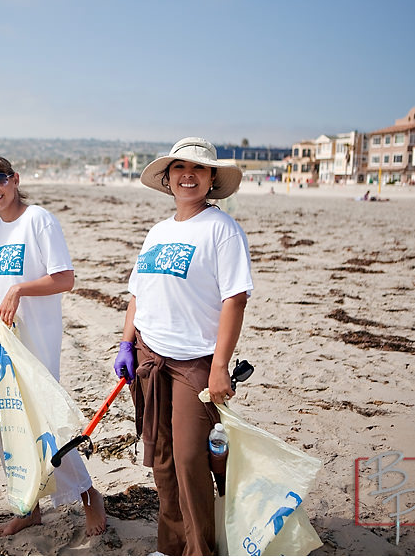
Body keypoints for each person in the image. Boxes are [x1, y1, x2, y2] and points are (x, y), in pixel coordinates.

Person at [114, 137, 252, 555]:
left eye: (198, 169)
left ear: (212, 179)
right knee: (162, 461)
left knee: (192, 460)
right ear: (167, 178)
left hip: (195, 363)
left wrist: (220, 366)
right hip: (149, 357)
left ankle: (200, 550)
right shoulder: (158, 231)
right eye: (178, 168)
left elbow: (235, 298)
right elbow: (137, 293)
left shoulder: (222, 230)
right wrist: (125, 344)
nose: (187, 175)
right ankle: (171, 546)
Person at [0, 155, 107, 537]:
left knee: (44, 424)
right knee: (6, 428)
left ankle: (88, 495)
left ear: (14, 179)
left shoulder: (38, 220)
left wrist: (20, 288)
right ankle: (27, 507)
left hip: (35, 343)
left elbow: (65, 278)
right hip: (0, 345)